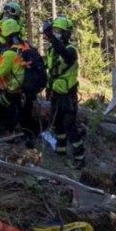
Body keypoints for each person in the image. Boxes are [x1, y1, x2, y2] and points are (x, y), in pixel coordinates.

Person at [44, 15, 84, 167]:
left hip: (68, 96)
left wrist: (50, 37)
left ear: (67, 33)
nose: (56, 34)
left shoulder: (71, 50)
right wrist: (48, 89)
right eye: (54, 31)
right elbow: (51, 71)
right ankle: (60, 151)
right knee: (57, 125)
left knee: (70, 127)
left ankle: (79, 158)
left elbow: (65, 55)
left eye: (59, 31)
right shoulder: (51, 50)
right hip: (55, 94)